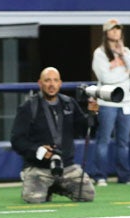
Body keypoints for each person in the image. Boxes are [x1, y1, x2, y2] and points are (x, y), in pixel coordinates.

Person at [10, 67, 96, 203]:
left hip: (67, 166)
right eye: (47, 80)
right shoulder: (28, 106)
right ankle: (42, 185)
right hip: (39, 167)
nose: (51, 84)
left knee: (87, 195)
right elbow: (16, 140)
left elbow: (84, 130)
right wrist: (37, 150)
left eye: (55, 80)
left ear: (60, 83)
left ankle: (55, 187)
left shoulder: (69, 103)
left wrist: (93, 115)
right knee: (33, 199)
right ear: (40, 83)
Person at [91, 19, 130, 186]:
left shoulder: (125, 51)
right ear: (106, 33)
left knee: (123, 142)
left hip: (125, 102)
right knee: (103, 140)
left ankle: (125, 176)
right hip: (107, 102)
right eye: (112, 30)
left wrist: (122, 57)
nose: (115, 32)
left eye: (118, 29)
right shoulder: (99, 53)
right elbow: (105, 78)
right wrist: (122, 72)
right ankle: (100, 176)